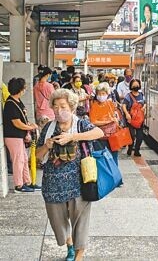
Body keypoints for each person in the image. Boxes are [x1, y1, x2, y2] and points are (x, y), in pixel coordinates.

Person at [35, 89, 103, 261]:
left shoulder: (80, 124)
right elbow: (37, 155)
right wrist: (47, 146)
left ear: (72, 107)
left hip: (79, 183)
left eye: (63, 106)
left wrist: (74, 137)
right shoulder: (49, 128)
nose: (59, 110)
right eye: (55, 106)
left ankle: (79, 255)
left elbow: (99, 133)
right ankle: (70, 246)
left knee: (80, 222)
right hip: (53, 185)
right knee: (59, 222)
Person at [3, 78, 39, 193]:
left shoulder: (17, 101)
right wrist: (30, 127)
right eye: (24, 88)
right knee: (18, 161)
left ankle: (27, 182)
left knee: (23, 160)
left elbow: (22, 119)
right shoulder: (10, 104)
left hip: (19, 137)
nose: (25, 90)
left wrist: (29, 125)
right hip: (13, 136)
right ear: (19, 89)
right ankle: (18, 185)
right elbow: (16, 123)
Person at [89, 83, 121, 165]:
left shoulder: (110, 104)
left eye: (103, 93)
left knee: (114, 155)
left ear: (107, 94)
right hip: (101, 136)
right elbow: (93, 122)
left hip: (113, 135)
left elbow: (114, 115)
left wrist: (115, 119)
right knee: (102, 156)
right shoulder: (94, 106)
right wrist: (107, 121)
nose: (101, 96)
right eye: (99, 94)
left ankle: (115, 174)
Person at [122, 79, 145, 157]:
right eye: (134, 85)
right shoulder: (128, 96)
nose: (136, 86)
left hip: (139, 119)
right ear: (131, 86)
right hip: (130, 119)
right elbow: (124, 105)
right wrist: (126, 114)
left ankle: (137, 150)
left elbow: (144, 103)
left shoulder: (141, 94)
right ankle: (130, 147)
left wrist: (144, 108)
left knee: (140, 137)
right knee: (132, 135)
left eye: (137, 85)